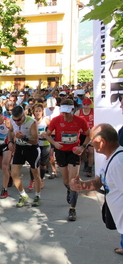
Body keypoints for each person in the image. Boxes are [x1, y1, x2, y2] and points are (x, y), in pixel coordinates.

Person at [70, 124, 123, 256]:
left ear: (103, 142)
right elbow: (99, 181)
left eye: (92, 139)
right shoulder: (110, 157)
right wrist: (81, 185)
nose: (90, 143)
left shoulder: (119, 163)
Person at [42, 99, 91, 221]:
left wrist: (82, 147)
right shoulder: (56, 120)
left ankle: (73, 209)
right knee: (65, 180)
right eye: (63, 112)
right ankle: (69, 189)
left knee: (73, 180)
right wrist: (54, 143)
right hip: (61, 152)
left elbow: (89, 134)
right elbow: (46, 134)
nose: (65, 115)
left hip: (74, 152)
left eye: (68, 112)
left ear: (73, 110)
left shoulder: (80, 121)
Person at [7, 105, 42, 207]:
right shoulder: (12, 120)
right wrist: (10, 142)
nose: (17, 122)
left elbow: (36, 141)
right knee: (14, 174)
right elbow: (10, 130)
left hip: (32, 149)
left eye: (19, 120)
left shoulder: (31, 122)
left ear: (24, 115)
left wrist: (24, 137)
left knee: (36, 174)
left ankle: (37, 195)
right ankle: (23, 194)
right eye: (15, 120)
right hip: (19, 148)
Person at [28, 103, 51, 191]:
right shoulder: (31, 120)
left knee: (43, 165)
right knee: (32, 164)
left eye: (40, 111)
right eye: (36, 111)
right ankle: (32, 180)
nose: (38, 113)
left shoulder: (46, 120)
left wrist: (46, 133)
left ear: (42, 112)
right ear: (33, 112)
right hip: (34, 145)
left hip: (45, 145)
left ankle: (41, 180)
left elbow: (53, 131)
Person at [74, 98, 95, 177]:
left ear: (90, 105)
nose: (86, 106)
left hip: (92, 134)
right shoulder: (78, 112)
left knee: (91, 151)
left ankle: (89, 169)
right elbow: (74, 122)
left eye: (88, 105)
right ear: (82, 105)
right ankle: (86, 162)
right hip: (82, 134)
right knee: (81, 151)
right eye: (84, 105)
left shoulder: (94, 112)